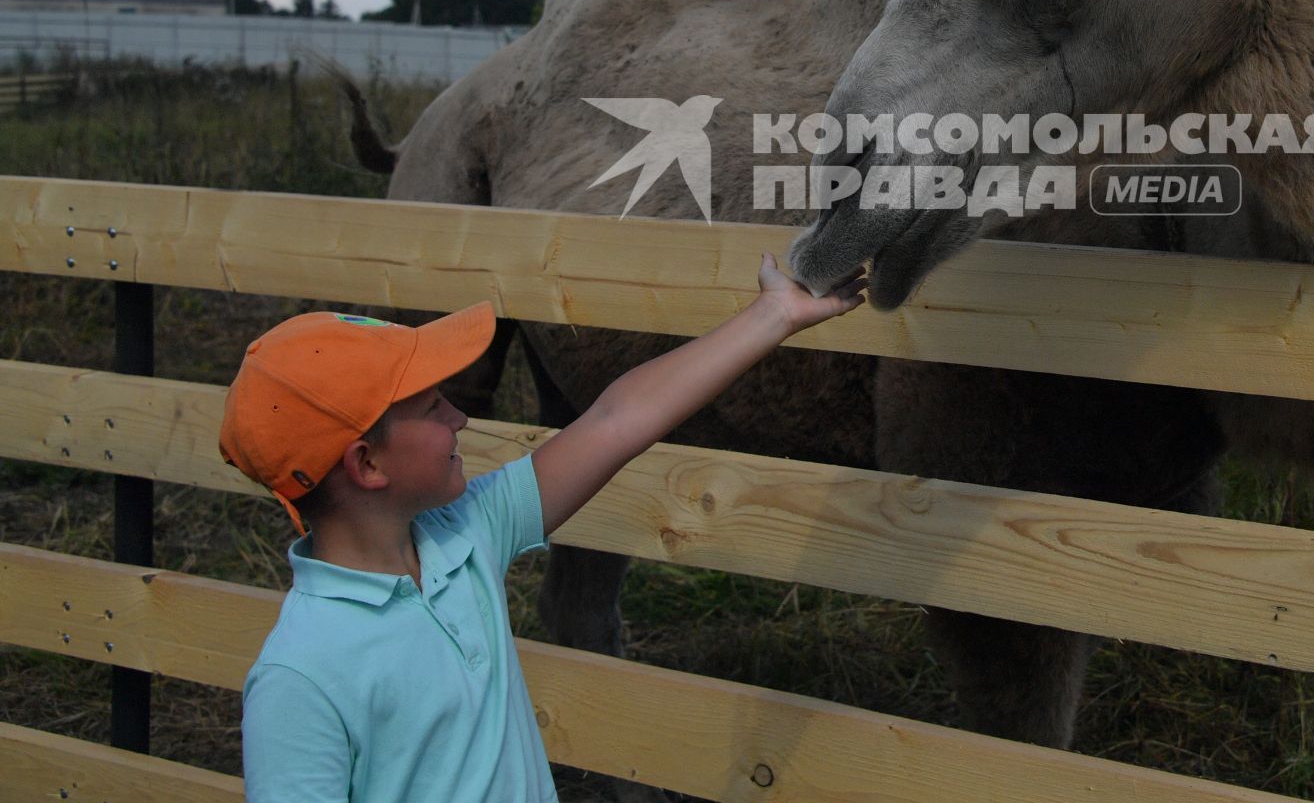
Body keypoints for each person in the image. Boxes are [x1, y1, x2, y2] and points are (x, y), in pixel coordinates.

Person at [218, 252, 865, 802]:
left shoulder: (463, 535)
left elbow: (616, 420)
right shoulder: (301, 677)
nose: (460, 418)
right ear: (366, 463)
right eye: (431, 406)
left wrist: (774, 314)